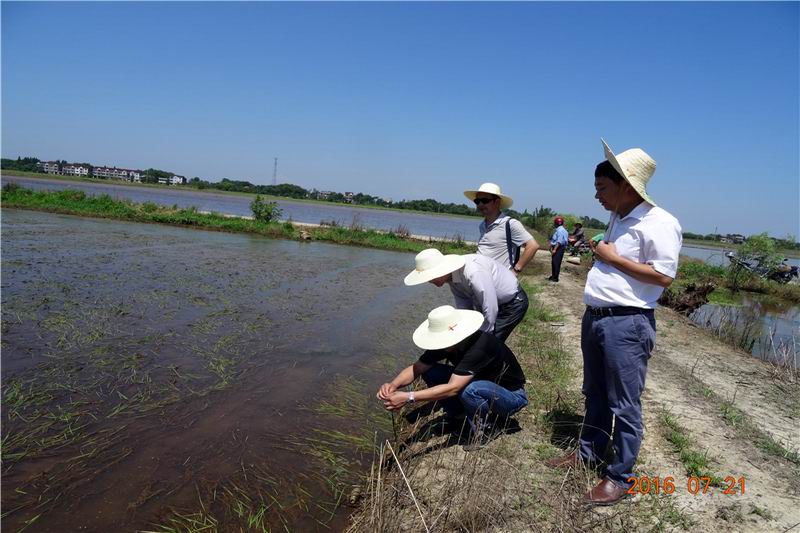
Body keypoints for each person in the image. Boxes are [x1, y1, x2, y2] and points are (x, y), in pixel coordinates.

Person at [546, 139, 681, 506]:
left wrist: (611, 257)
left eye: (602, 188)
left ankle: (620, 477)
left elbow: (663, 276)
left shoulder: (661, 222)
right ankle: (588, 452)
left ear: (626, 186)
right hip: (597, 317)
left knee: (624, 402)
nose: (597, 196)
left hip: (627, 323)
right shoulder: (619, 217)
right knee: (595, 392)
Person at [377, 305, 528, 450]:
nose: (439, 343)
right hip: (483, 384)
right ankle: (460, 419)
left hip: (511, 396)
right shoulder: (446, 345)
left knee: (470, 390)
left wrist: (409, 397)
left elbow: (453, 388)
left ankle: (486, 429)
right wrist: (393, 385)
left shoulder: (480, 346)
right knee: (431, 371)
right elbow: (417, 368)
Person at [404, 248, 528, 341]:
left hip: (512, 304)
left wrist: (482, 336)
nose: (430, 281)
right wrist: (462, 330)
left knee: (488, 345)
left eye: (431, 277)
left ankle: (497, 367)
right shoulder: (451, 277)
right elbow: (464, 307)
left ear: (441, 270)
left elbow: (490, 307)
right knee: (471, 342)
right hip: (492, 305)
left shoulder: (473, 272)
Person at [463, 182, 540, 274]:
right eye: (477, 201)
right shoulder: (482, 225)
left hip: (499, 279)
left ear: (497, 202)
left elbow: (533, 246)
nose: (480, 204)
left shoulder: (510, 224)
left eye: (484, 201)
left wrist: (516, 270)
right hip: (481, 276)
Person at [548, 216, 569, 282]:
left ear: (556, 223)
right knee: (555, 262)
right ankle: (554, 276)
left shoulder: (559, 230)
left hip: (558, 247)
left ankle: (555, 278)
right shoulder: (564, 230)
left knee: (555, 262)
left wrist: (554, 249)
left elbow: (559, 241)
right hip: (560, 247)